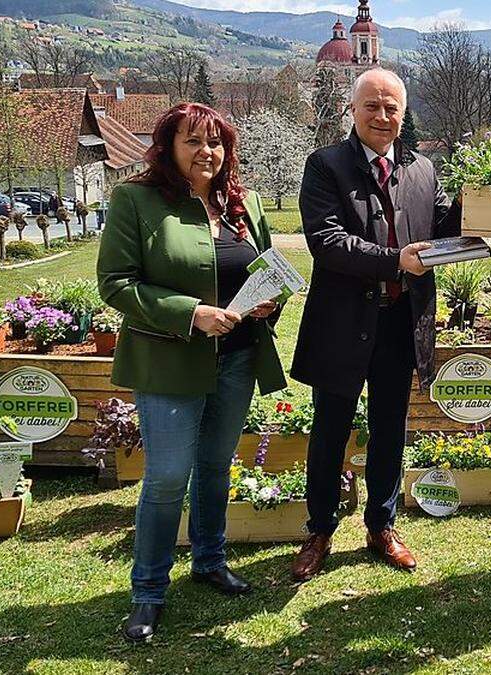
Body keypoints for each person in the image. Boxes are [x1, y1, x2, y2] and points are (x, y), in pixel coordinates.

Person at [97, 102, 287, 642]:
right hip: (169, 361)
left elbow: (268, 268)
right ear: (168, 146)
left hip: (238, 358)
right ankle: (149, 592)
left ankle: (209, 561)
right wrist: (191, 313)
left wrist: (269, 301)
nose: (208, 152)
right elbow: (116, 283)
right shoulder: (135, 200)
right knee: (166, 477)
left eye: (217, 142)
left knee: (214, 466)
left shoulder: (241, 204)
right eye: (194, 141)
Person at [289, 68, 461, 580]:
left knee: (390, 430)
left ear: (403, 115)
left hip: (400, 325)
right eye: (373, 106)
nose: (383, 116)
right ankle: (319, 530)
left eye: (392, 108)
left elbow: (444, 224)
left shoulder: (423, 169)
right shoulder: (325, 166)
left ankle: (381, 526)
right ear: (353, 110)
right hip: (342, 325)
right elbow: (326, 240)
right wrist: (394, 262)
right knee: (329, 432)